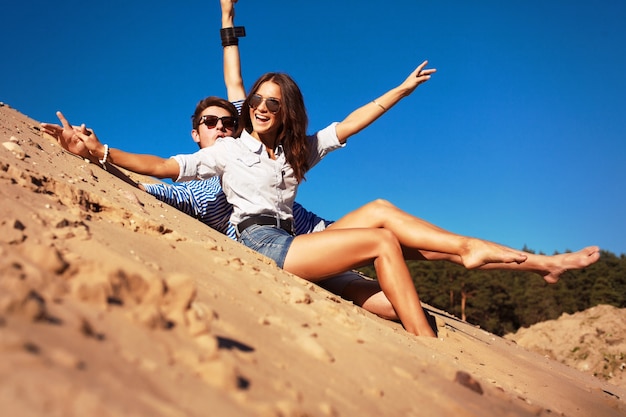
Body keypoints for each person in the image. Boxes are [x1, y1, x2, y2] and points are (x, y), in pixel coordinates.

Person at [54, 60, 602, 338]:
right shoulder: (228, 152)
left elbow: (352, 124)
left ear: (286, 109)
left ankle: (527, 263)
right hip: (263, 245)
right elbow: (162, 167)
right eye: (257, 100)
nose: (263, 106)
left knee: (390, 248)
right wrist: (100, 152)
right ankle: (435, 354)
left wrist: (402, 90)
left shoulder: (295, 153)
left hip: (300, 243)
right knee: (384, 240)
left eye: (273, 101)